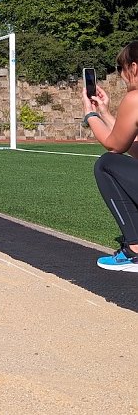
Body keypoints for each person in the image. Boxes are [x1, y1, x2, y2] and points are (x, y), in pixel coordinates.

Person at [82, 42, 138, 271]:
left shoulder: (134, 98)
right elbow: (131, 146)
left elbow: (113, 145)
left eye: (121, 69)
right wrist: (105, 112)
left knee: (106, 164)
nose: (122, 77)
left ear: (133, 68)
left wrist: (90, 114)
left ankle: (135, 249)